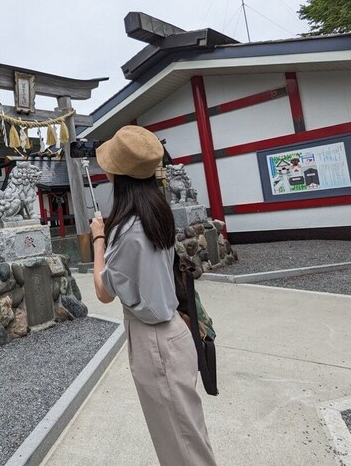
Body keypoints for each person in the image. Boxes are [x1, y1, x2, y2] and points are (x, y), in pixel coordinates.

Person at [90, 125, 216, 466]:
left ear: (117, 173)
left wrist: (99, 239)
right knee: (186, 436)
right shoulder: (157, 212)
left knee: (182, 448)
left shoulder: (127, 231)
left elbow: (103, 292)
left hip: (155, 342)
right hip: (173, 329)